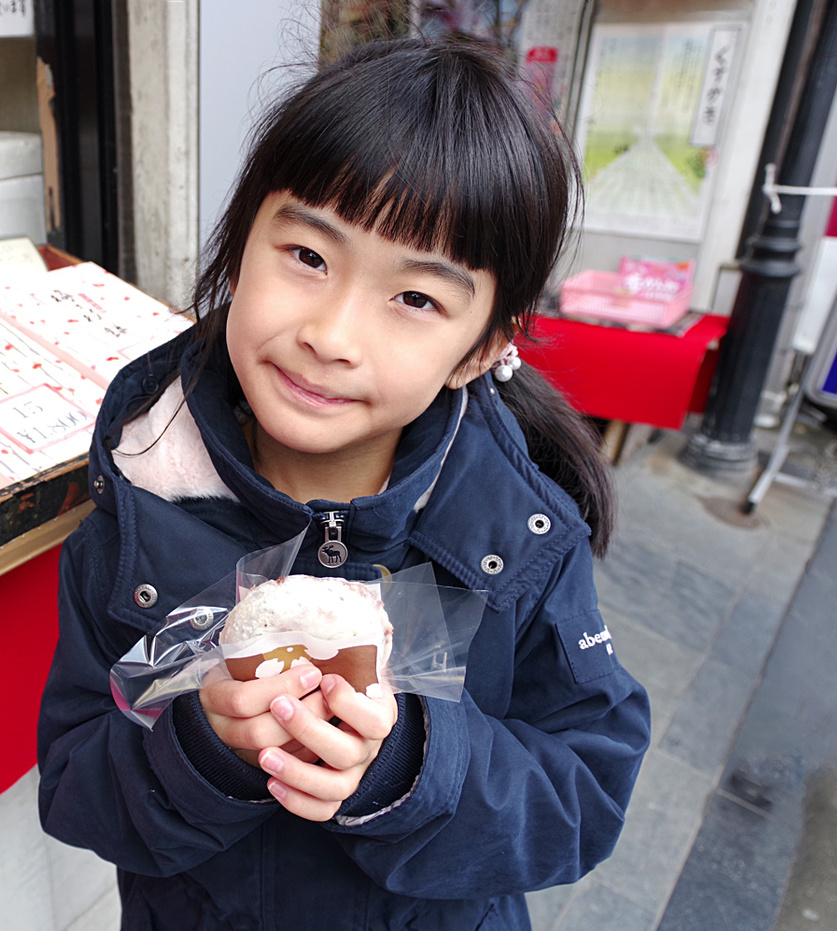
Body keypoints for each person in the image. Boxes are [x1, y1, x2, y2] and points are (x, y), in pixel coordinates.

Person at [37, 35, 650, 931]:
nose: (331, 333)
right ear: (242, 240)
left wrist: (408, 764)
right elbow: (76, 787)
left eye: (416, 300)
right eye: (309, 257)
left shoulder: (518, 542)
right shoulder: (137, 513)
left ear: (480, 347)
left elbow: (583, 795)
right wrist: (202, 748)